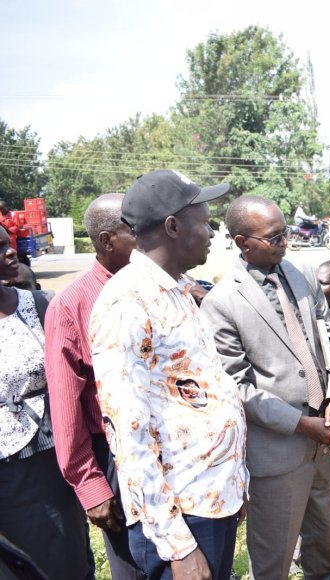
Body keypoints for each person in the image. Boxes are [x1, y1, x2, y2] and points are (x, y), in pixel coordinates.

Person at [89, 170, 249, 579]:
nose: (213, 231)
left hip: (209, 499)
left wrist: (233, 481)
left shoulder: (176, 288)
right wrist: (178, 547)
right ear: (173, 226)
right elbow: (129, 433)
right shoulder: (127, 303)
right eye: (205, 219)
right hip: (182, 516)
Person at [201, 196, 330, 580]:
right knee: (273, 561)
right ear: (243, 242)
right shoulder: (222, 303)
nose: (285, 241)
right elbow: (237, 386)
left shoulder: (300, 274)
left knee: (328, 545)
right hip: (276, 452)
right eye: (274, 237)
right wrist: (301, 423)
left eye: (286, 232)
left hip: (325, 441)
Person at [44, 193, 144, 580]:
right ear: (107, 241)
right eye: (135, 230)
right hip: (117, 457)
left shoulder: (159, 285)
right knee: (136, 567)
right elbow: (67, 408)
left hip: (168, 451)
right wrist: (92, 487)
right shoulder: (71, 306)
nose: (148, 237)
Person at [0, 225, 90, 579]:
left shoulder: (41, 305)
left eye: (8, 244)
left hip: (46, 465)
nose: (10, 253)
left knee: (63, 560)